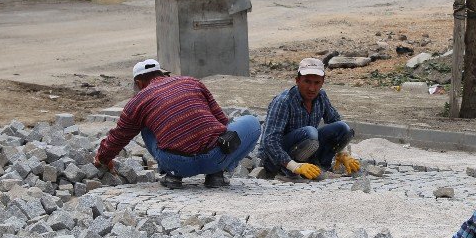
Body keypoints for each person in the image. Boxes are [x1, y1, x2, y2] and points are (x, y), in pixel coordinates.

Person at [94, 58, 259, 190]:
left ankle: (172, 177)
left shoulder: (138, 101)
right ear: (162, 74)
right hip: (215, 158)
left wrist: (103, 157)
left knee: (143, 123)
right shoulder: (193, 82)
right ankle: (218, 174)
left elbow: (119, 136)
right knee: (252, 123)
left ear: (139, 83)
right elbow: (222, 120)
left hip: (177, 164)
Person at [259, 57, 360, 179]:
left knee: (342, 127)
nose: (312, 88)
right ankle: (288, 170)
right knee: (310, 132)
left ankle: (319, 165)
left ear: (322, 82)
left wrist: (343, 153)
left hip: (306, 148)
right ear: (297, 80)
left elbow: (335, 121)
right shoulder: (284, 101)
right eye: (307, 82)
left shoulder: (321, 96)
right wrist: (293, 166)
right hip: (276, 159)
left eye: (317, 83)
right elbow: (269, 141)